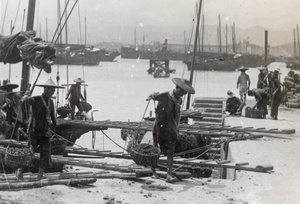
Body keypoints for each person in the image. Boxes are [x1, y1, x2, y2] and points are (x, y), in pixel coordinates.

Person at [148, 77, 195, 183]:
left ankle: (168, 174)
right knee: (156, 150)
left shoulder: (178, 100)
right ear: (177, 88)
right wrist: (153, 95)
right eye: (182, 91)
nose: (183, 93)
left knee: (170, 152)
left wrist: (175, 129)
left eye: (185, 92)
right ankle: (153, 171)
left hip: (170, 128)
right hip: (160, 127)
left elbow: (175, 117)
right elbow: (154, 99)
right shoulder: (165, 97)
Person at [22, 78, 63, 180]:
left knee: (45, 153)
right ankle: (20, 171)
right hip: (35, 131)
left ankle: (40, 174)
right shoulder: (35, 99)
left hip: (45, 131)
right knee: (29, 152)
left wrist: (55, 124)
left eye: (53, 90)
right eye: (50, 90)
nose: (52, 92)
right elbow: (24, 101)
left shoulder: (51, 102)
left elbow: (53, 115)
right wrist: (26, 95)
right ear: (45, 89)